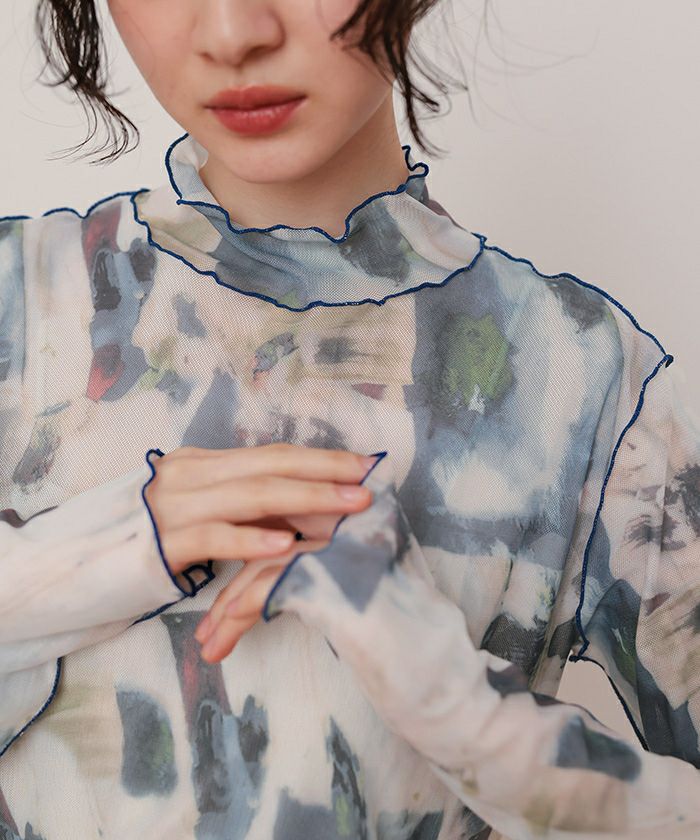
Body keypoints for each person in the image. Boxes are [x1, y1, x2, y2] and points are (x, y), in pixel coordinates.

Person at [0, 0, 698, 838]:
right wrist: (86, 563)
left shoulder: (581, 373)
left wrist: (455, 706)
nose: (233, 33)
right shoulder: (19, 308)